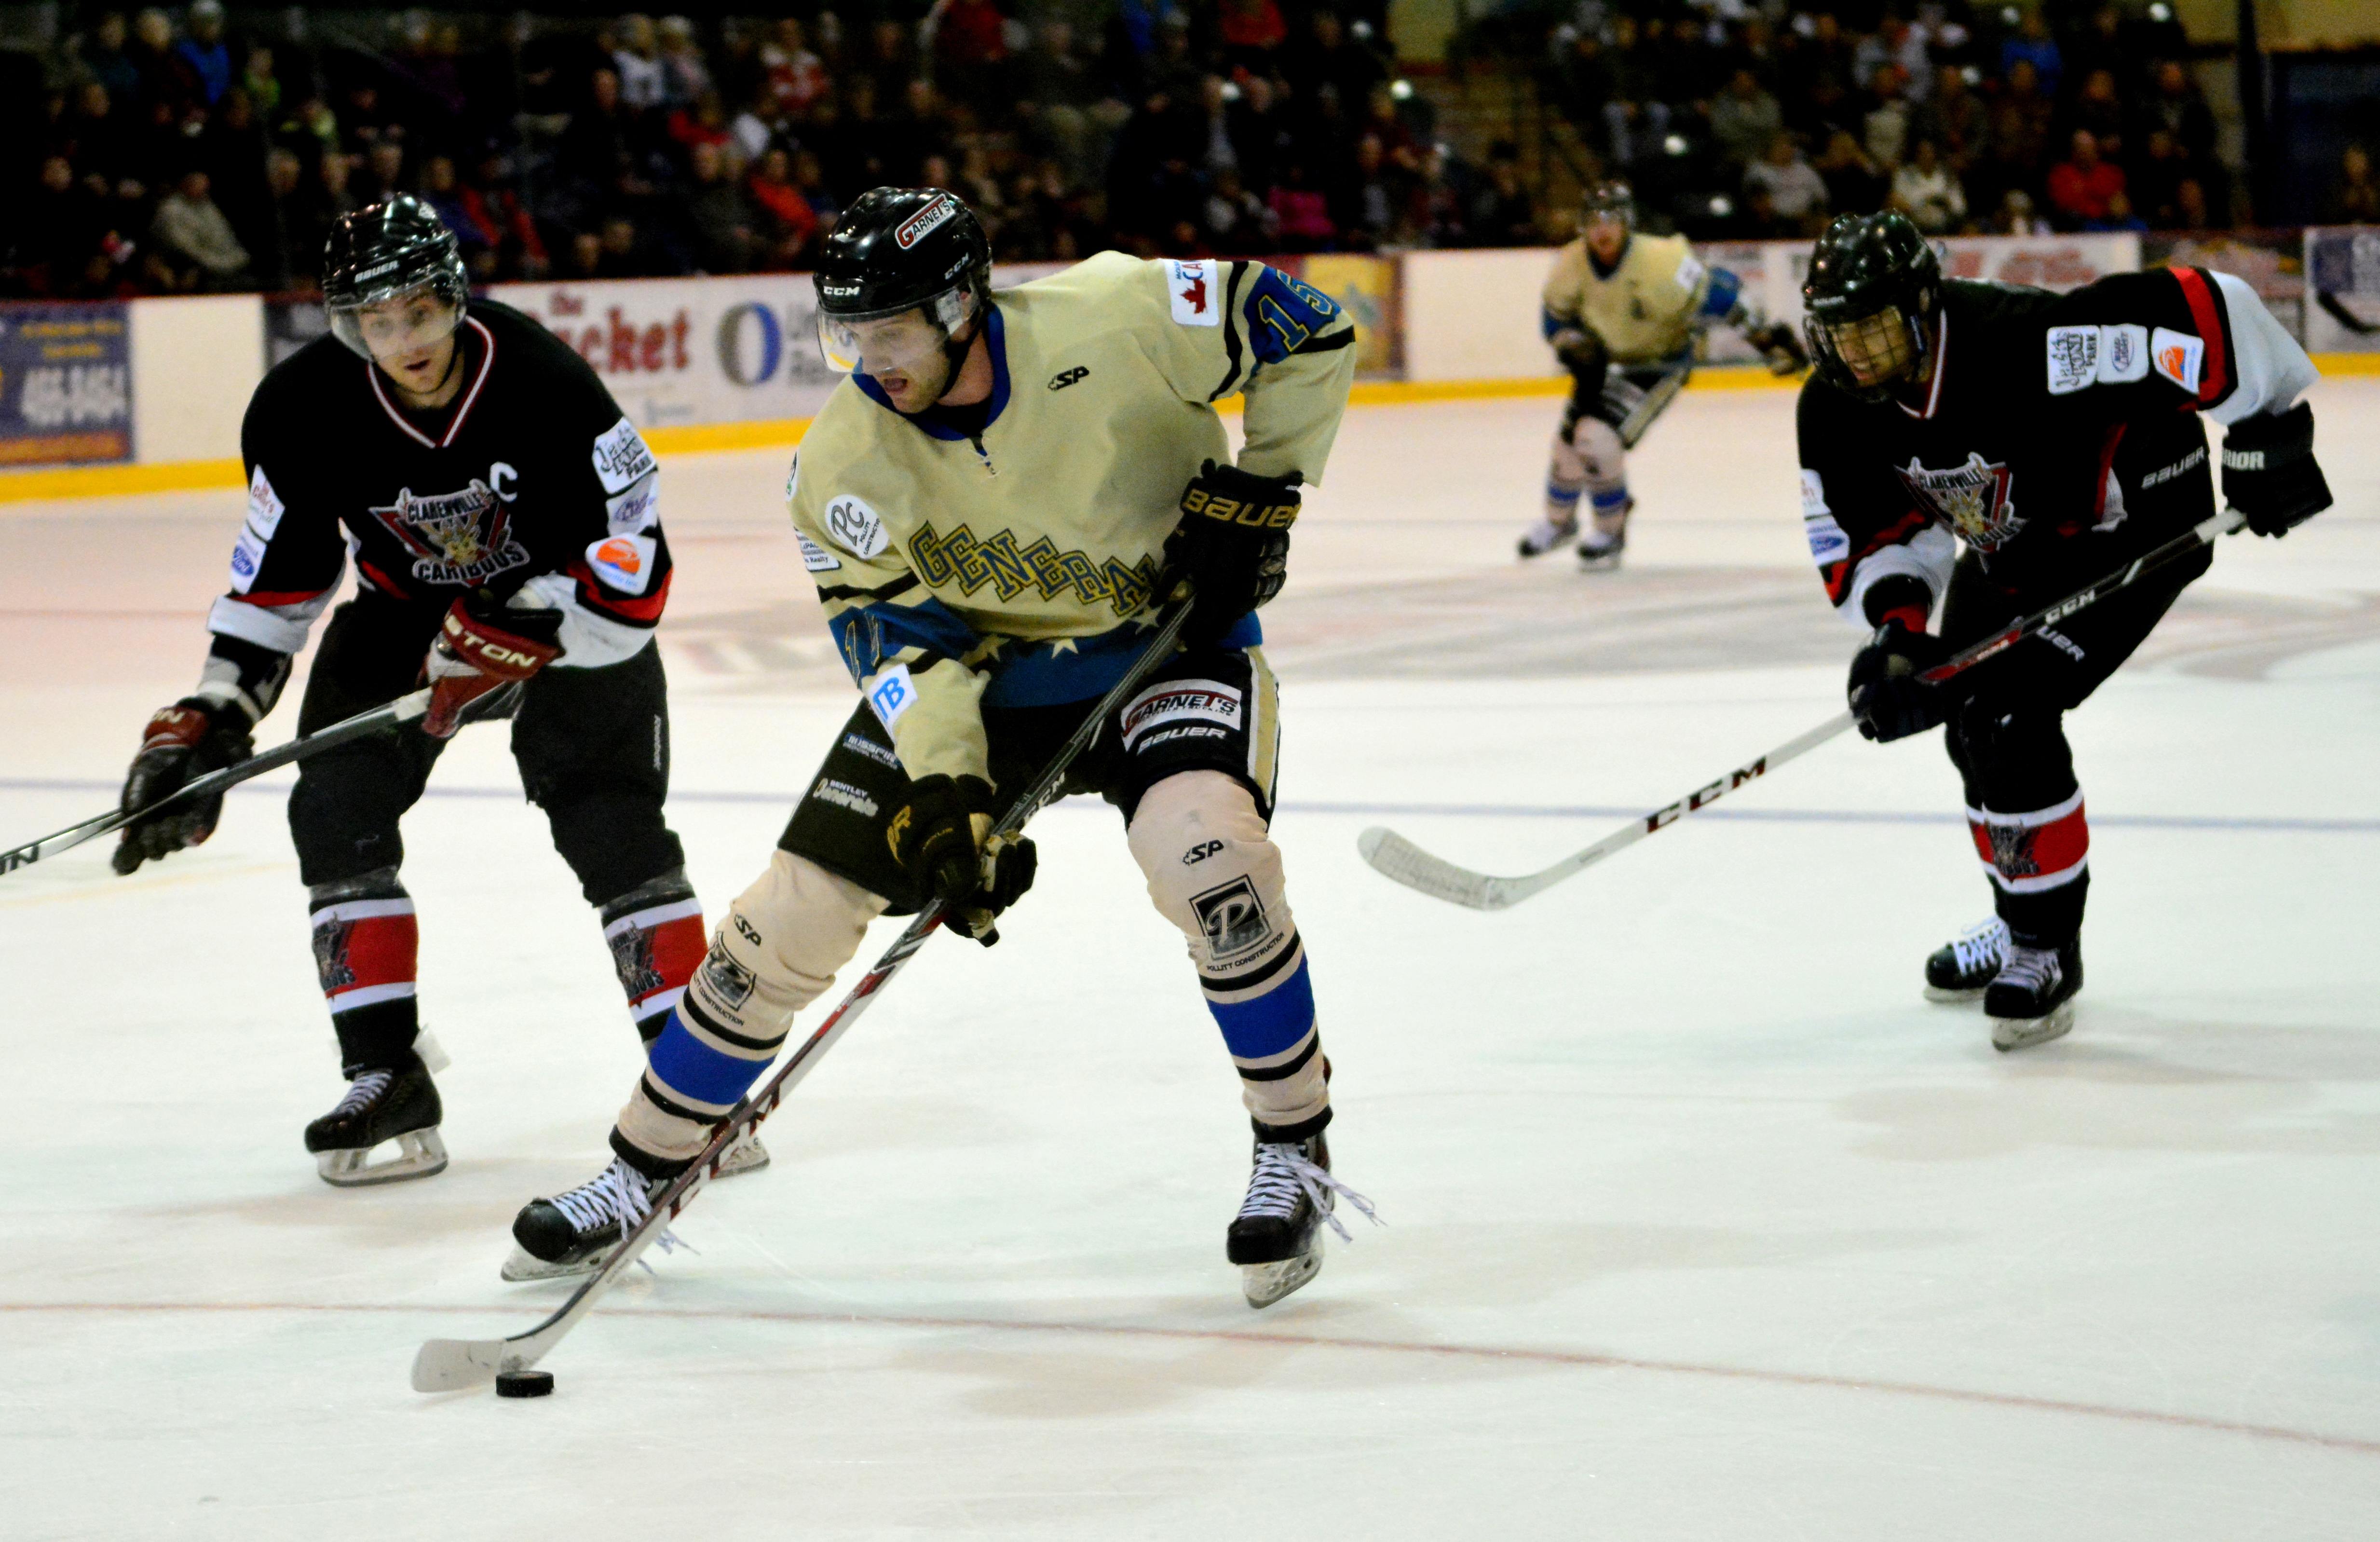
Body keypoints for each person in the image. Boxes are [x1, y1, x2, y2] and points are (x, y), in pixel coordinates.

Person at [507, 188, 1374, 1309]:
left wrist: (1266, 482)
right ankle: (638, 1170)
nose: (872, 361)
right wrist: (952, 790)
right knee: (794, 907)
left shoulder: (1116, 312)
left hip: (1166, 650)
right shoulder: (840, 466)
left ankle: (1294, 1148)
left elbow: (1305, 322)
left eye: (895, 330)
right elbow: (907, 654)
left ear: (965, 302)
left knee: (1210, 855)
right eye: (849, 336)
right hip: (990, 683)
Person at [109, 196, 766, 1192]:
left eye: (417, 312)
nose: (403, 342)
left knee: (610, 820)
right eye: (375, 323)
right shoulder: (298, 408)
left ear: (452, 299)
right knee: (333, 805)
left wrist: (541, 619)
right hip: (403, 615)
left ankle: (696, 1090)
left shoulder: (546, 381)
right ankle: (385, 1070)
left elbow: (635, 564)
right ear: (346, 325)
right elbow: (275, 581)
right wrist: (210, 715)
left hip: (559, 615)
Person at [1795, 212, 2330, 1050]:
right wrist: (1898, 635)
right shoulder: (1834, 409)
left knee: (2006, 717)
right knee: (1967, 730)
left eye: (1871, 330)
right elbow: (1878, 530)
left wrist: (2269, 429)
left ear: (1921, 308)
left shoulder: (2022, 342)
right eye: (1839, 334)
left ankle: (2047, 948)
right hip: (2016, 547)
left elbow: (2201, 308)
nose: (1855, 354)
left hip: (2139, 517)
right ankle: (2020, 920)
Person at [1517, 181, 1808, 568]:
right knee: (1567, 444)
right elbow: (1553, 322)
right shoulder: (1571, 263)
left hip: (1658, 364)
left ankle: (1609, 530)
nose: (1602, 230)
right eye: (1593, 221)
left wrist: (1762, 336)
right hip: (1606, 364)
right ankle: (1559, 522)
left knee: (1596, 438)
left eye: (1611, 220)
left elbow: (1719, 292)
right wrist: (1573, 344)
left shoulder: (1660, 262)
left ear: (1628, 223)